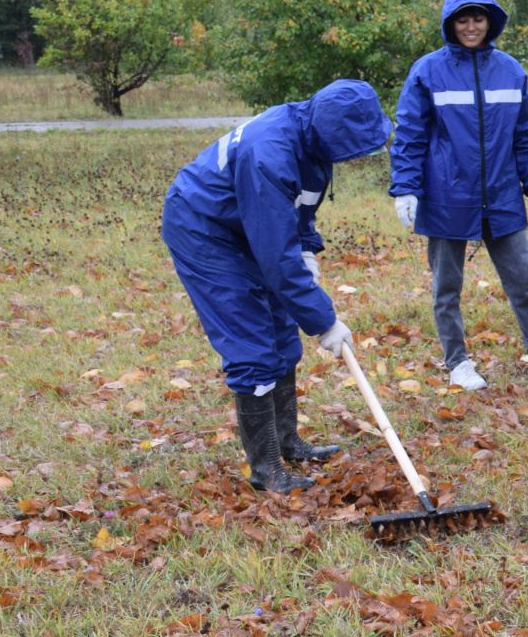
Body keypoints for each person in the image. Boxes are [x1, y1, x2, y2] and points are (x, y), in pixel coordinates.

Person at [161, 80, 389, 493]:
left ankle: (287, 440)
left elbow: (297, 211)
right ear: (333, 132)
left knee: (283, 335)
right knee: (251, 341)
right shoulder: (269, 152)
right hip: (205, 229)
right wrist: (325, 322)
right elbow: (275, 254)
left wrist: (307, 250)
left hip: (249, 224)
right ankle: (267, 470)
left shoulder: (312, 138)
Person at [390, 0, 528, 391]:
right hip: (447, 196)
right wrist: (406, 187)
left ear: (491, 22)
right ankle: (457, 362)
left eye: (478, 18)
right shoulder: (427, 71)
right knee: (446, 286)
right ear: (450, 24)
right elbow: (410, 136)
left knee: (523, 279)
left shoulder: (509, 69)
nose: (471, 26)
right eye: (462, 19)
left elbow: (525, 134)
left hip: (503, 195)